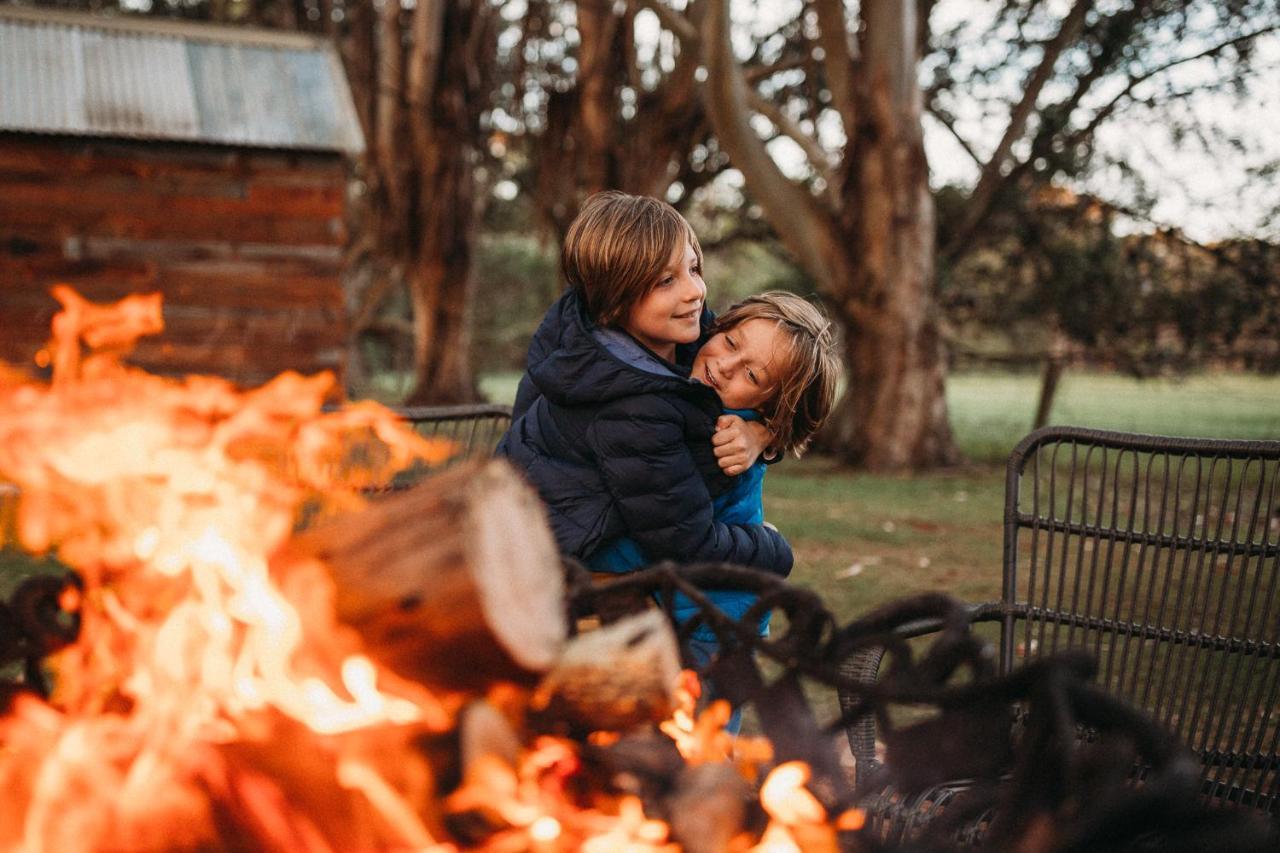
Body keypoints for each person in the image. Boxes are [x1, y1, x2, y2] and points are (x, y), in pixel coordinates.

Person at [497, 190, 790, 577]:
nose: (695, 292)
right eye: (666, 280)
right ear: (615, 299)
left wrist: (762, 436)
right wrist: (772, 548)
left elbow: (774, 393)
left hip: (623, 516)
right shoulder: (630, 409)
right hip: (562, 554)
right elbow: (685, 543)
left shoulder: (685, 335)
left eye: (694, 268)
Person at [591, 292, 840, 733]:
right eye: (729, 342)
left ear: (770, 407)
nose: (725, 364)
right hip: (720, 614)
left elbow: (658, 539)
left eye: (751, 373)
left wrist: (586, 553)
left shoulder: (715, 435)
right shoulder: (708, 400)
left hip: (708, 624)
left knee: (695, 751)